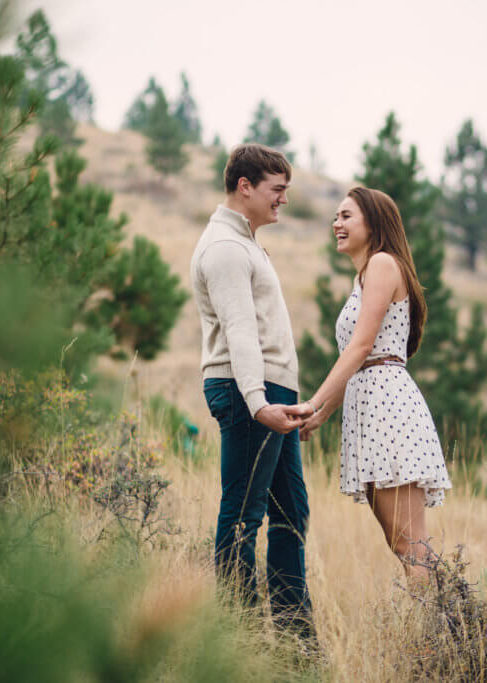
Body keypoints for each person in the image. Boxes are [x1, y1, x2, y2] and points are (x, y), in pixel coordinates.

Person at [295, 187, 452, 579]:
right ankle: (446, 627)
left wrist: (313, 403)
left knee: (410, 543)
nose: (337, 224)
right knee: (402, 544)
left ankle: (443, 632)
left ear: (373, 222)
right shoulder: (366, 274)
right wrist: (322, 414)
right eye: (336, 216)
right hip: (369, 404)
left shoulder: (382, 263)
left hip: (387, 406)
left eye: (346, 216)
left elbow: (363, 346)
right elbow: (356, 357)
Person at [190, 143, 313, 636]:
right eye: (276, 190)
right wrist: (260, 404)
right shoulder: (225, 249)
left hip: (269, 396)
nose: (283, 199)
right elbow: (241, 332)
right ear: (246, 187)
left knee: (291, 512)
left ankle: (293, 639)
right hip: (248, 396)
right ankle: (237, 641)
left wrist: (287, 404)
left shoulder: (244, 242)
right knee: (244, 514)